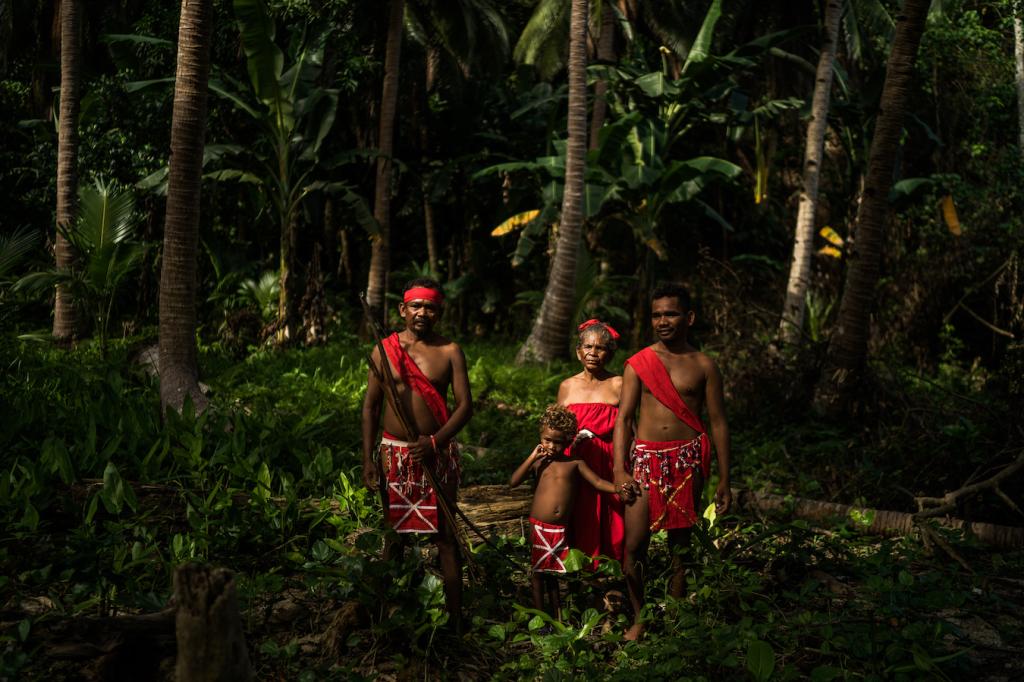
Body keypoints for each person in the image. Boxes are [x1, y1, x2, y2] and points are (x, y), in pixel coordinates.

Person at [612, 282, 732, 641]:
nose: (663, 321)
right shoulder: (639, 363)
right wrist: (619, 469)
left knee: (681, 545)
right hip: (645, 461)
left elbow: (719, 422)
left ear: (689, 317)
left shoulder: (704, 365)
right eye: (657, 315)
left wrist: (725, 478)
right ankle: (640, 616)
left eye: (671, 313)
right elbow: (624, 418)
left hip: (686, 460)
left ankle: (677, 612)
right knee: (634, 545)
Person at [361, 278, 473, 633]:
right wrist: (368, 459)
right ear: (402, 310)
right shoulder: (384, 349)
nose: (423, 313)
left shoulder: (450, 351)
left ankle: (455, 623)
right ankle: (384, 618)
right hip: (394, 454)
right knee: (395, 537)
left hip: (437, 455)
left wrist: (436, 442)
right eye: (416, 306)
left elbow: (465, 407)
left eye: (430, 308)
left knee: (445, 538)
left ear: (439, 312)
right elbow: (370, 408)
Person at [509, 405, 636, 619]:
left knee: (554, 573)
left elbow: (597, 482)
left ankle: (557, 616)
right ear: (541, 437)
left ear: (569, 441)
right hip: (539, 525)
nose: (551, 446)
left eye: (558, 442)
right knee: (539, 573)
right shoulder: (540, 462)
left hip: (560, 527)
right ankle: (541, 617)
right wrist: (532, 456)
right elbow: (513, 481)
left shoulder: (575, 463)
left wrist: (617, 487)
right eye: (547, 439)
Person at [556, 319, 625, 568]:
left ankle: (611, 574)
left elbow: (630, 428)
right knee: (578, 518)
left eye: (600, 348)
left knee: (611, 520)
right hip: (574, 463)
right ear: (578, 351)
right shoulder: (567, 386)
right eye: (588, 347)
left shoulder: (619, 384)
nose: (593, 353)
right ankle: (578, 577)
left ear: (610, 353)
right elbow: (555, 429)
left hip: (608, 462)